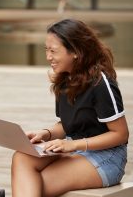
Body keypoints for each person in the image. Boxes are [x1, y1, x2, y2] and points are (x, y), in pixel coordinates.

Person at [11, 19, 129, 197]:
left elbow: (120, 134)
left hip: (106, 157)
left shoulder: (101, 83)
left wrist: (72, 145)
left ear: (75, 51)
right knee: (22, 157)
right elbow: (67, 124)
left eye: (53, 51)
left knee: (35, 184)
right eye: (46, 50)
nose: (48, 57)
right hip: (76, 149)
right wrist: (45, 134)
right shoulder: (65, 79)